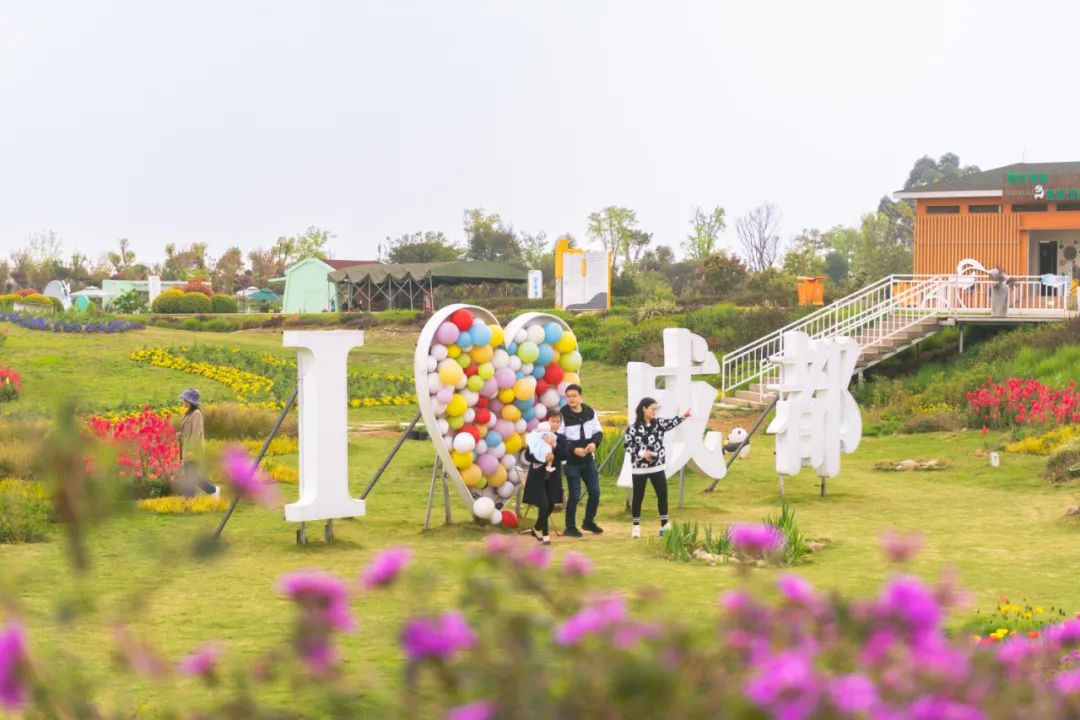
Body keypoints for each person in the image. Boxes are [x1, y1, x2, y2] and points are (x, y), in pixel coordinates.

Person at [624, 397, 691, 538]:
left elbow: (671, 423)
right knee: (638, 497)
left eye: (655, 409)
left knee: (662, 494)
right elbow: (628, 446)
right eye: (652, 409)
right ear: (644, 408)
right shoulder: (632, 428)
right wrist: (642, 453)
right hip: (639, 468)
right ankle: (636, 526)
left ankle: (664, 525)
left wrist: (683, 416)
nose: (654, 412)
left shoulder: (658, 423)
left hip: (657, 467)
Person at [558, 384, 604, 536]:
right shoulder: (562, 414)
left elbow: (598, 432)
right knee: (575, 495)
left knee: (595, 492)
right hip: (571, 462)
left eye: (574, 396)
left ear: (580, 397)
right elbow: (560, 439)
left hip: (588, 460)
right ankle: (570, 527)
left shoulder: (590, 411)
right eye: (568, 396)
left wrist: (594, 444)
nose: (571, 399)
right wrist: (573, 450)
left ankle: (588, 522)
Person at [522, 414, 567, 545]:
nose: (555, 424)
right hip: (537, 475)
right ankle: (545, 535)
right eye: (553, 421)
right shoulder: (537, 435)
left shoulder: (561, 438)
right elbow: (527, 455)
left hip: (553, 476)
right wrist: (541, 459)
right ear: (547, 422)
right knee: (544, 504)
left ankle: (536, 528)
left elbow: (565, 455)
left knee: (551, 504)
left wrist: (554, 444)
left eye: (558, 421)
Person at [177, 388, 219, 497]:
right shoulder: (188, 413)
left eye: (184, 399)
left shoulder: (196, 414)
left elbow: (196, 433)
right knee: (191, 475)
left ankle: (194, 497)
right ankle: (212, 491)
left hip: (193, 450)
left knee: (191, 475)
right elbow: (189, 432)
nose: (183, 401)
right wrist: (181, 435)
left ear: (189, 401)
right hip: (188, 448)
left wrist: (191, 451)